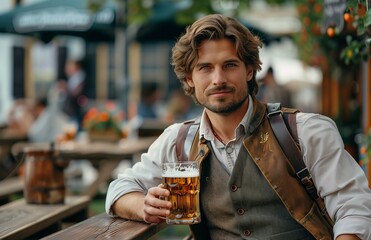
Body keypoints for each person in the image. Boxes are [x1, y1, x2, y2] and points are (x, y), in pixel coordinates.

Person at [105, 14, 371, 240]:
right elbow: (119, 189)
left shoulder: (305, 131)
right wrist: (143, 206)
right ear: (189, 78)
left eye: (229, 65)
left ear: (249, 70)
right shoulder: (179, 141)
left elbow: (353, 206)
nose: (218, 79)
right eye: (205, 68)